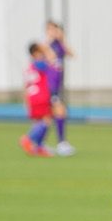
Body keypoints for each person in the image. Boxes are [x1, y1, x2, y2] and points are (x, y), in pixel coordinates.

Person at [18, 43, 54, 157]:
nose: (43, 53)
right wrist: (47, 47)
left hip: (32, 97)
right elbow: (52, 59)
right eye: (40, 51)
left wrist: (26, 102)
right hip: (41, 96)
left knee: (38, 122)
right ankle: (28, 139)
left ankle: (39, 147)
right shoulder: (39, 64)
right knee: (46, 121)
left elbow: (25, 86)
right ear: (35, 53)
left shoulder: (29, 67)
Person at [44, 20, 74, 156]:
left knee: (52, 114)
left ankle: (42, 142)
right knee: (58, 112)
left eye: (55, 29)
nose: (53, 32)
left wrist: (62, 40)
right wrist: (50, 40)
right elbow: (49, 57)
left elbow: (71, 54)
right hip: (49, 85)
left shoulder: (59, 44)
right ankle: (61, 144)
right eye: (50, 29)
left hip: (57, 85)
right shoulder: (46, 46)